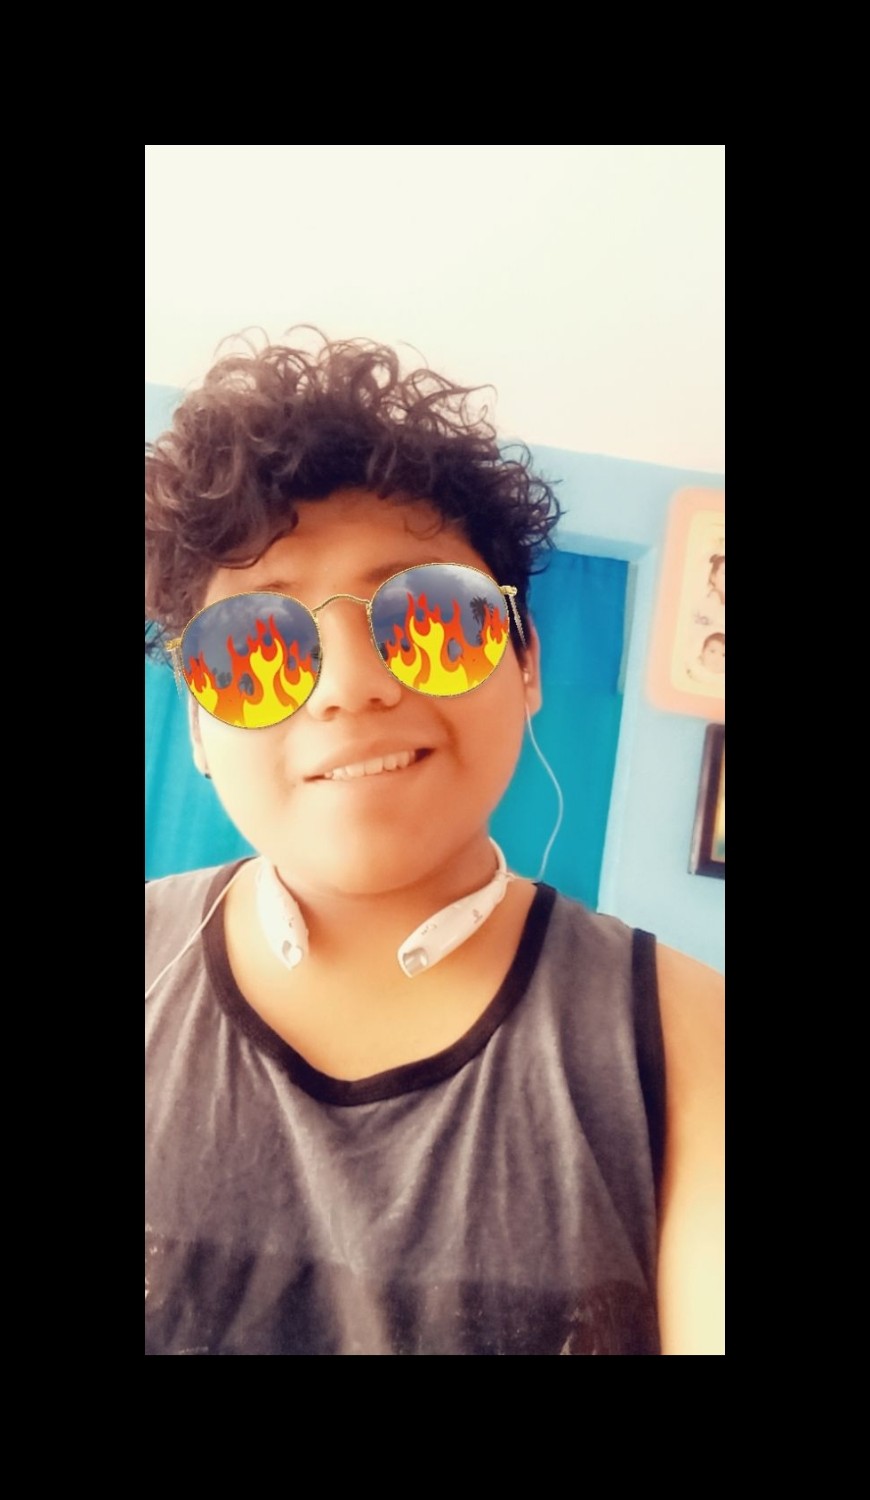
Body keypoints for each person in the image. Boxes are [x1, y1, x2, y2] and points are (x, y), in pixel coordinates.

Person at [145, 334, 724, 1356]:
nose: (349, 686)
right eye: (251, 646)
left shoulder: (689, 1044)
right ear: (197, 724)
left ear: (527, 661)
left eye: (431, 616)